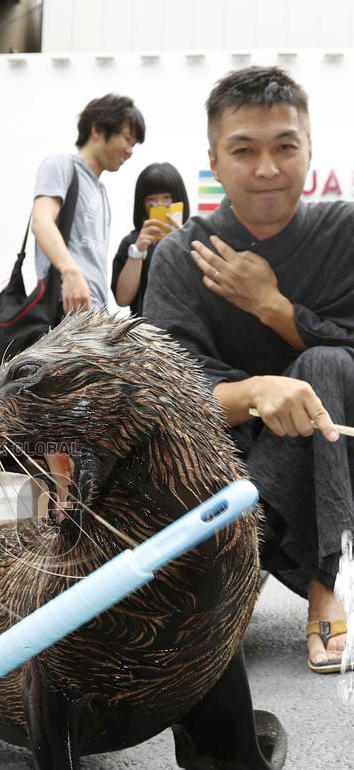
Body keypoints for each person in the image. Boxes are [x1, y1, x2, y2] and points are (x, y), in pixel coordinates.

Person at [144, 65, 354, 674]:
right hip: (226, 458)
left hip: (339, 439)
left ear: (310, 151)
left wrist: (276, 309)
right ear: (214, 157)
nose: (267, 168)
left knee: (325, 365)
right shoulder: (183, 257)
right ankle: (231, 571)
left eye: (285, 146)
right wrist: (258, 392)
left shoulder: (344, 234)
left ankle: (321, 581)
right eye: (244, 150)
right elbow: (169, 394)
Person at [31, 94, 145, 320]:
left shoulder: (100, 190)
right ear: (97, 130)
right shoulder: (61, 165)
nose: (130, 151)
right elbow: (41, 221)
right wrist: (70, 271)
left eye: (134, 145)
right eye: (126, 139)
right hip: (64, 306)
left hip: (93, 315)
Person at [111, 162, 190, 317]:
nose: (160, 204)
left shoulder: (194, 238)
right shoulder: (131, 242)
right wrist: (137, 251)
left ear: (179, 199)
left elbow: (201, 292)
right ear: (142, 203)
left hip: (187, 332)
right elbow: (122, 299)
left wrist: (182, 243)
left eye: (167, 197)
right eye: (151, 199)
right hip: (145, 334)